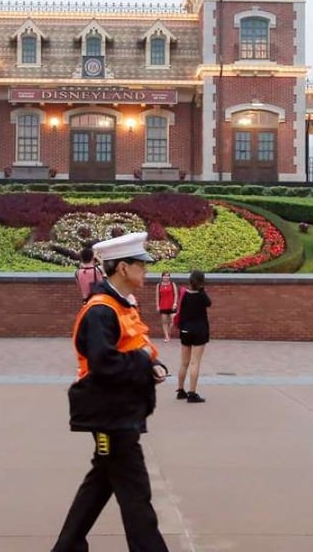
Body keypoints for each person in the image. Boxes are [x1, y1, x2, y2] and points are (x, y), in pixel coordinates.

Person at [52, 231, 170, 552]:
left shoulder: (121, 305)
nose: (146, 270)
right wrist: (143, 362)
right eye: (141, 264)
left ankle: (67, 546)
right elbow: (104, 362)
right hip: (110, 415)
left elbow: (133, 347)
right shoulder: (101, 310)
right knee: (135, 491)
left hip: (118, 411)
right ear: (123, 268)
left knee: (101, 481)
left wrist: (152, 364)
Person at [175, 269, 211, 403]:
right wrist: (202, 290)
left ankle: (180, 390)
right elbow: (209, 303)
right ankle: (192, 393)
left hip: (185, 330)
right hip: (199, 331)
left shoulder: (184, 294)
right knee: (195, 362)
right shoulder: (201, 296)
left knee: (184, 362)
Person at [155, 271, 179, 343]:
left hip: (172, 305)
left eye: (168, 276)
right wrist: (157, 306)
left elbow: (176, 294)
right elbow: (157, 296)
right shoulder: (159, 285)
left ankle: (169, 332)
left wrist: (175, 303)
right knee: (164, 322)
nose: (166, 277)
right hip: (163, 306)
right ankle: (166, 337)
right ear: (162, 277)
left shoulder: (172, 284)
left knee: (173, 320)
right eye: (165, 276)